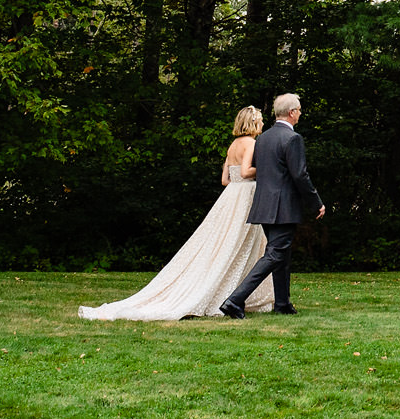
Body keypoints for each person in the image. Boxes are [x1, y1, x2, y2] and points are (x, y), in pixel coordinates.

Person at [80, 106, 275, 320]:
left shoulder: (232, 145)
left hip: (231, 196)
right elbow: (247, 171)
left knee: (225, 242)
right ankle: (231, 294)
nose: (263, 124)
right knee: (240, 244)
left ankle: (233, 292)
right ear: (252, 123)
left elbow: (225, 180)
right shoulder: (251, 144)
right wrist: (268, 167)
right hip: (246, 196)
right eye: (260, 120)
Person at [220, 93, 325, 319]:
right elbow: (300, 174)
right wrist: (316, 202)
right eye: (299, 110)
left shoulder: (264, 138)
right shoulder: (292, 139)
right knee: (275, 254)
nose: (300, 114)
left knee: (282, 255)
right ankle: (235, 300)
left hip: (264, 205)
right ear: (292, 112)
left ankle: (282, 303)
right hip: (283, 207)